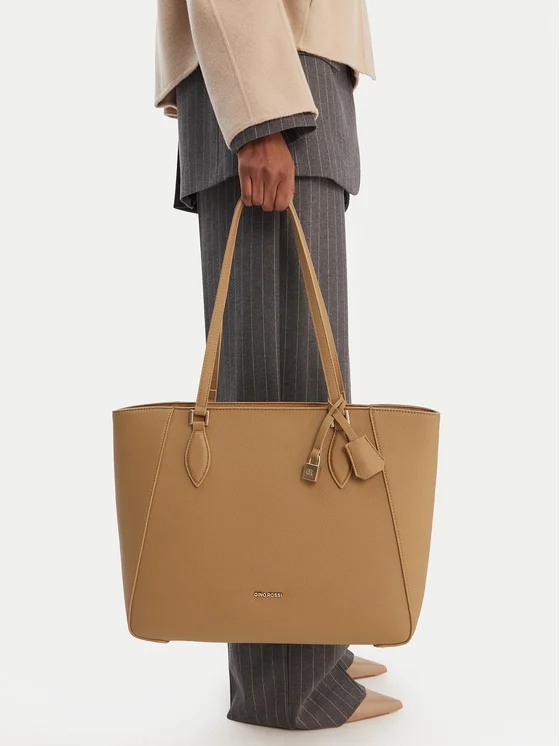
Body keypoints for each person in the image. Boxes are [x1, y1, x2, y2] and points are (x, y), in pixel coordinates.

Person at [154, 0, 403, 730]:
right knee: (280, 405)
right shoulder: (266, 103)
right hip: (272, 86)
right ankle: (286, 682)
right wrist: (260, 118)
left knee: (309, 399)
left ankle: (312, 639)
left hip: (291, 80)